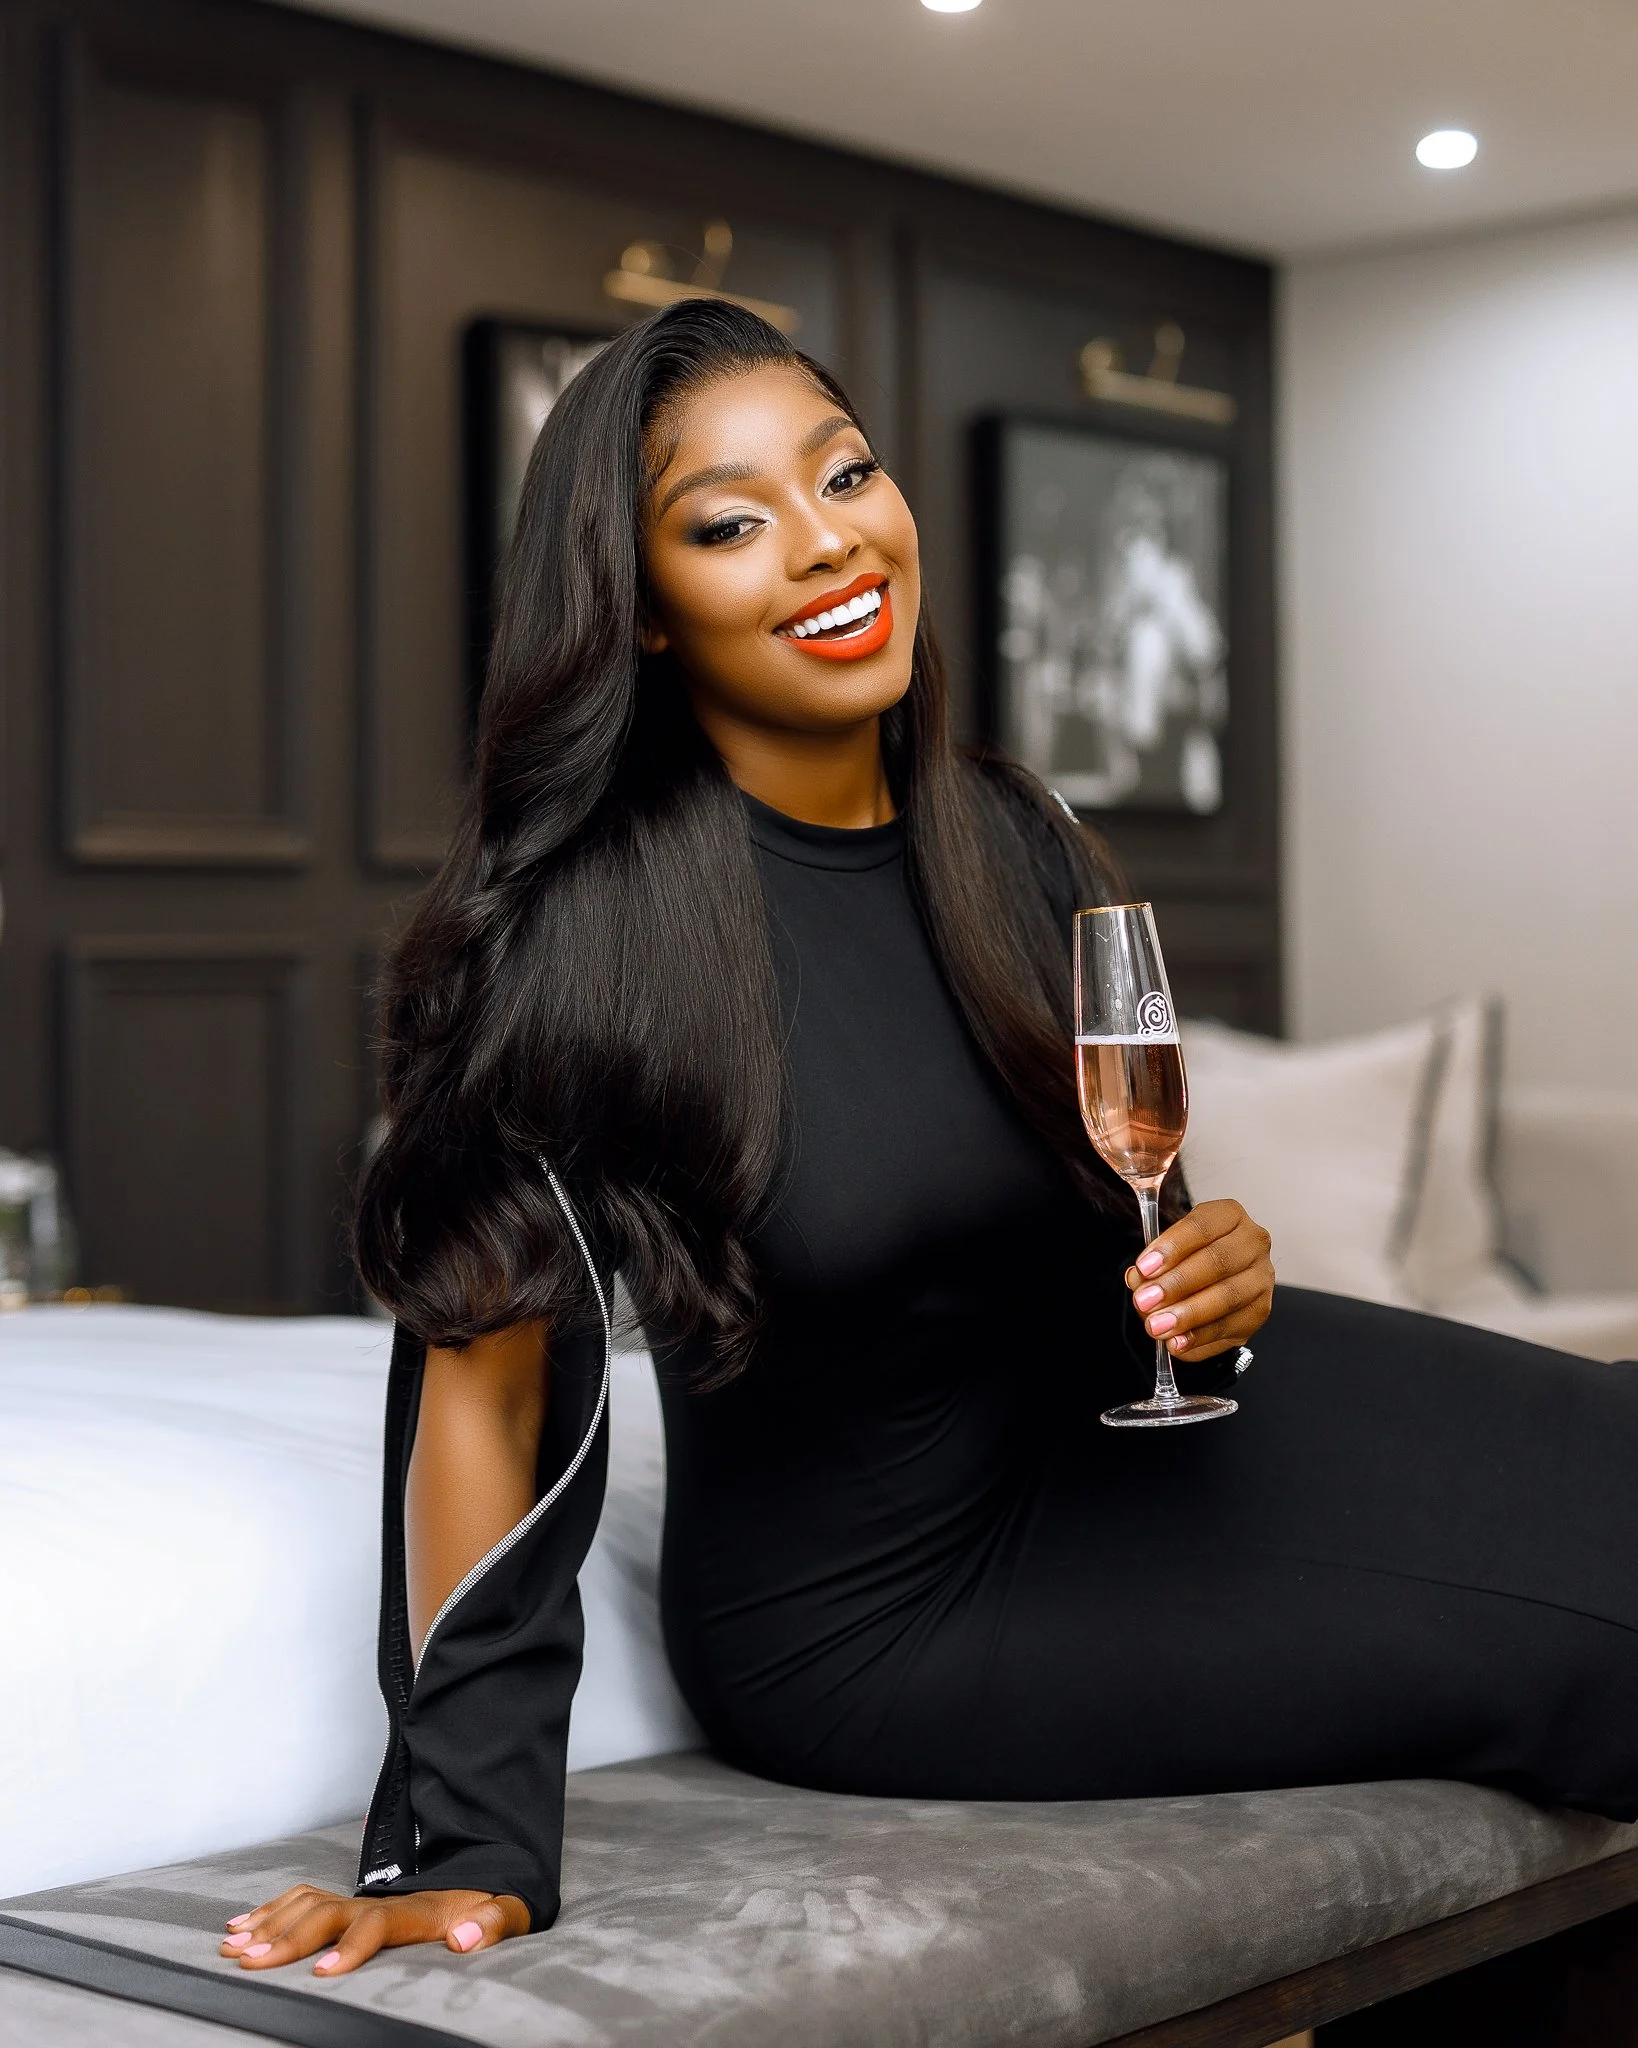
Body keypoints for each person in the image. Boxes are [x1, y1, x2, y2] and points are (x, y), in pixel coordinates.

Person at [218, 301, 1638, 1980]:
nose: (828, 544)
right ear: (644, 609)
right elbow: (483, 1390)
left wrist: (1214, 1276)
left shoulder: (1011, 835)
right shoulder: (579, 938)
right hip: (886, 1616)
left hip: (1126, 1459)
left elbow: (1129, 1234)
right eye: (731, 523)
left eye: (846, 474)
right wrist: (460, 1838)